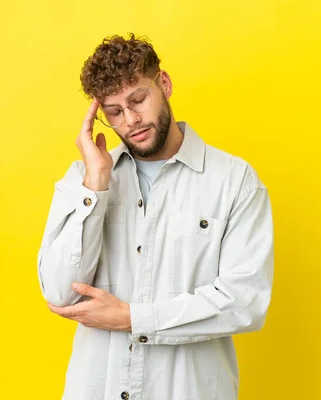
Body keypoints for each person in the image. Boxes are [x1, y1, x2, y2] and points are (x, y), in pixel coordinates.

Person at [37, 33, 274, 400]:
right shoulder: (82, 180)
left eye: (138, 99)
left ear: (163, 84)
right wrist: (96, 186)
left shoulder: (235, 182)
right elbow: (59, 292)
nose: (131, 120)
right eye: (114, 112)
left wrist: (134, 318)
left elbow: (244, 301)